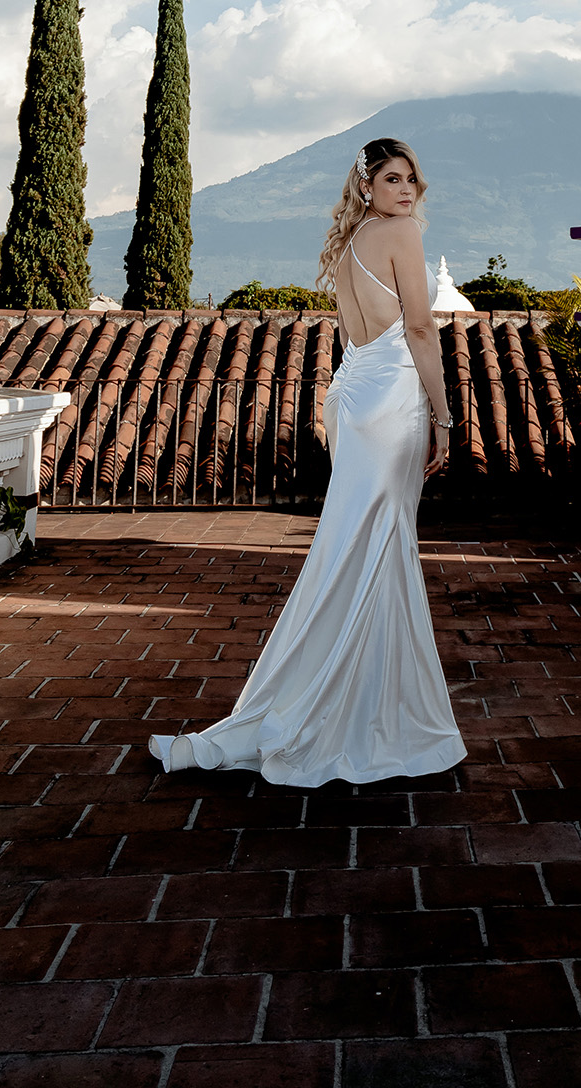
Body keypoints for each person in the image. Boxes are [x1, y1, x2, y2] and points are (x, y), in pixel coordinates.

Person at [148, 137, 467, 786]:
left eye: (412, 179)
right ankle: (353, 716)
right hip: (392, 402)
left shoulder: (350, 245)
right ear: (366, 187)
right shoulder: (399, 232)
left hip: (353, 400)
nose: (406, 191)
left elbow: (354, 340)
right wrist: (444, 416)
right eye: (392, 178)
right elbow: (420, 330)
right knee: (375, 549)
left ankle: (362, 702)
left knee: (356, 550)